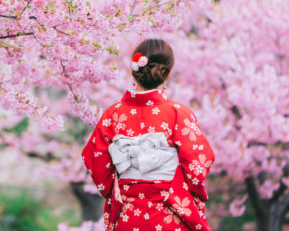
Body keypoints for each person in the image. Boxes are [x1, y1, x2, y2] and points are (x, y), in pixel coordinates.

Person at [81, 38, 215, 231]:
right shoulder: (178, 113)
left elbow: (94, 158)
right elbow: (199, 160)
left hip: (128, 215)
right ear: (167, 73)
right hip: (170, 213)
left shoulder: (113, 114)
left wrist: (118, 191)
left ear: (134, 72)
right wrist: (177, 194)